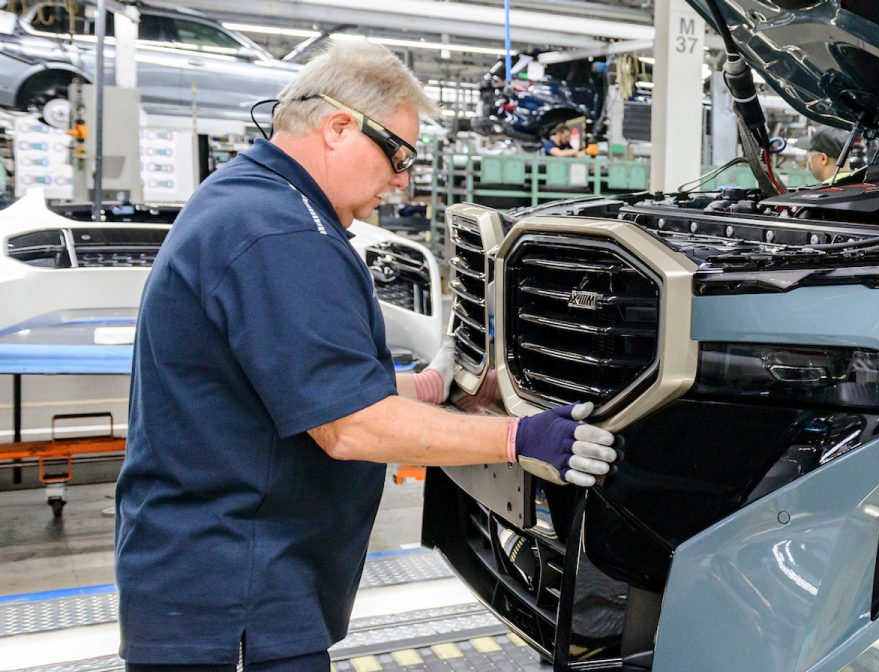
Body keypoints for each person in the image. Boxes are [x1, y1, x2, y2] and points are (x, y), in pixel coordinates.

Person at [114, 41, 618, 672]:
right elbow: (351, 426)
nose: (403, 179)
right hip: (237, 604)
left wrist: (434, 388)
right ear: (338, 126)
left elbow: (298, 387)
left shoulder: (249, 198)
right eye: (399, 155)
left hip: (223, 585)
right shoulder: (283, 234)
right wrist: (521, 437)